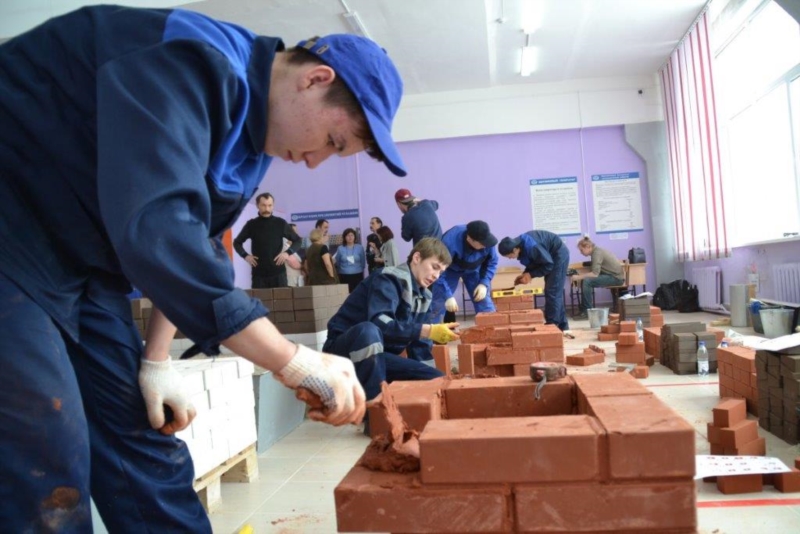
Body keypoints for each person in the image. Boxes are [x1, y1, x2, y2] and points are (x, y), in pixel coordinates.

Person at [0, 5, 406, 531]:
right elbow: (157, 230)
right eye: (332, 142)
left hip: (80, 268)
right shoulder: (187, 59)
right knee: (46, 449)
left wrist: (157, 361)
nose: (314, 161)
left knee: (143, 442)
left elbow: (200, 242)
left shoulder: (252, 143)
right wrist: (292, 360)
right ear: (314, 79)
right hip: (12, 233)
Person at [323, 238, 458, 404]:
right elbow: (380, 322)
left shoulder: (424, 297)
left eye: (441, 272)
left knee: (436, 378)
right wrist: (427, 330)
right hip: (342, 355)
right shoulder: (388, 278)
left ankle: (382, 396)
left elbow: (420, 347)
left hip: (376, 359)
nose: (436, 276)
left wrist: (433, 395)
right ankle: (375, 415)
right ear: (417, 258)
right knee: (368, 331)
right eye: (434, 267)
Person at [498, 230, 571, 332]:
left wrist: (531, 274)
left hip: (558, 254)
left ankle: (551, 326)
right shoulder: (520, 245)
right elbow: (533, 262)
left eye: (509, 256)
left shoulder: (532, 246)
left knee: (552, 291)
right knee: (554, 291)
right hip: (549, 257)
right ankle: (563, 326)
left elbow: (548, 265)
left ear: (515, 250)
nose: (510, 258)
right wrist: (526, 274)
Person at [430, 221, 499, 324]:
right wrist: (448, 296)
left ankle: (492, 333)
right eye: (481, 244)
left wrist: (484, 283)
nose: (485, 246)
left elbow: (492, 262)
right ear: (469, 239)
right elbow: (438, 271)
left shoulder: (487, 241)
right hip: (449, 270)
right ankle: (429, 337)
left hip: (474, 270)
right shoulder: (449, 242)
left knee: (483, 301)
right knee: (439, 302)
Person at [234, 193, 302, 288]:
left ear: (273, 205)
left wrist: (287, 253)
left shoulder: (280, 223)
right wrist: (245, 256)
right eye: (264, 205)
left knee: (281, 302)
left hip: (279, 273)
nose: (267, 209)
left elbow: (298, 241)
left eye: (270, 205)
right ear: (257, 205)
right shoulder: (251, 225)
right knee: (260, 302)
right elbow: (237, 242)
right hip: (259, 275)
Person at [572, 236, 625, 318]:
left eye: (581, 250)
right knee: (585, 280)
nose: (580, 252)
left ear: (588, 247)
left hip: (616, 278)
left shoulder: (596, 253)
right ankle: (584, 309)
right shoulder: (596, 251)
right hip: (614, 275)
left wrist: (578, 277)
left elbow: (595, 274)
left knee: (587, 281)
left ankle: (587, 312)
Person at [334, 228, 366, 292]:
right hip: (344, 275)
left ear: (355, 237)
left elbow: (363, 262)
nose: (350, 237)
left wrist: (358, 269)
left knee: (358, 293)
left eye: (352, 235)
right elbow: (338, 262)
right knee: (345, 294)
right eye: (348, 235)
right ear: (344, 237)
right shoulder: (340, 248)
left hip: (358, 275)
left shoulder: (360, 247)